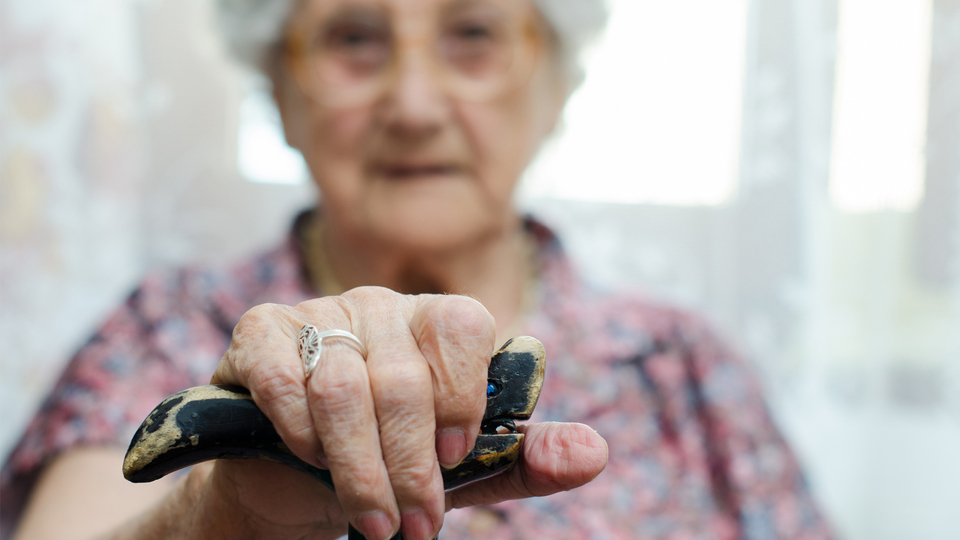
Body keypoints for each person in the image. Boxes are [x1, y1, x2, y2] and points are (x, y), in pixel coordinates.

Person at [1, 0, 833, 538]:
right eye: (353, 39)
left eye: (473, 35)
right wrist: (225, 517)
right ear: (281, 91)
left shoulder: (683, 364)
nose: (415, 106)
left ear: (556, 86)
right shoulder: (166, 326)